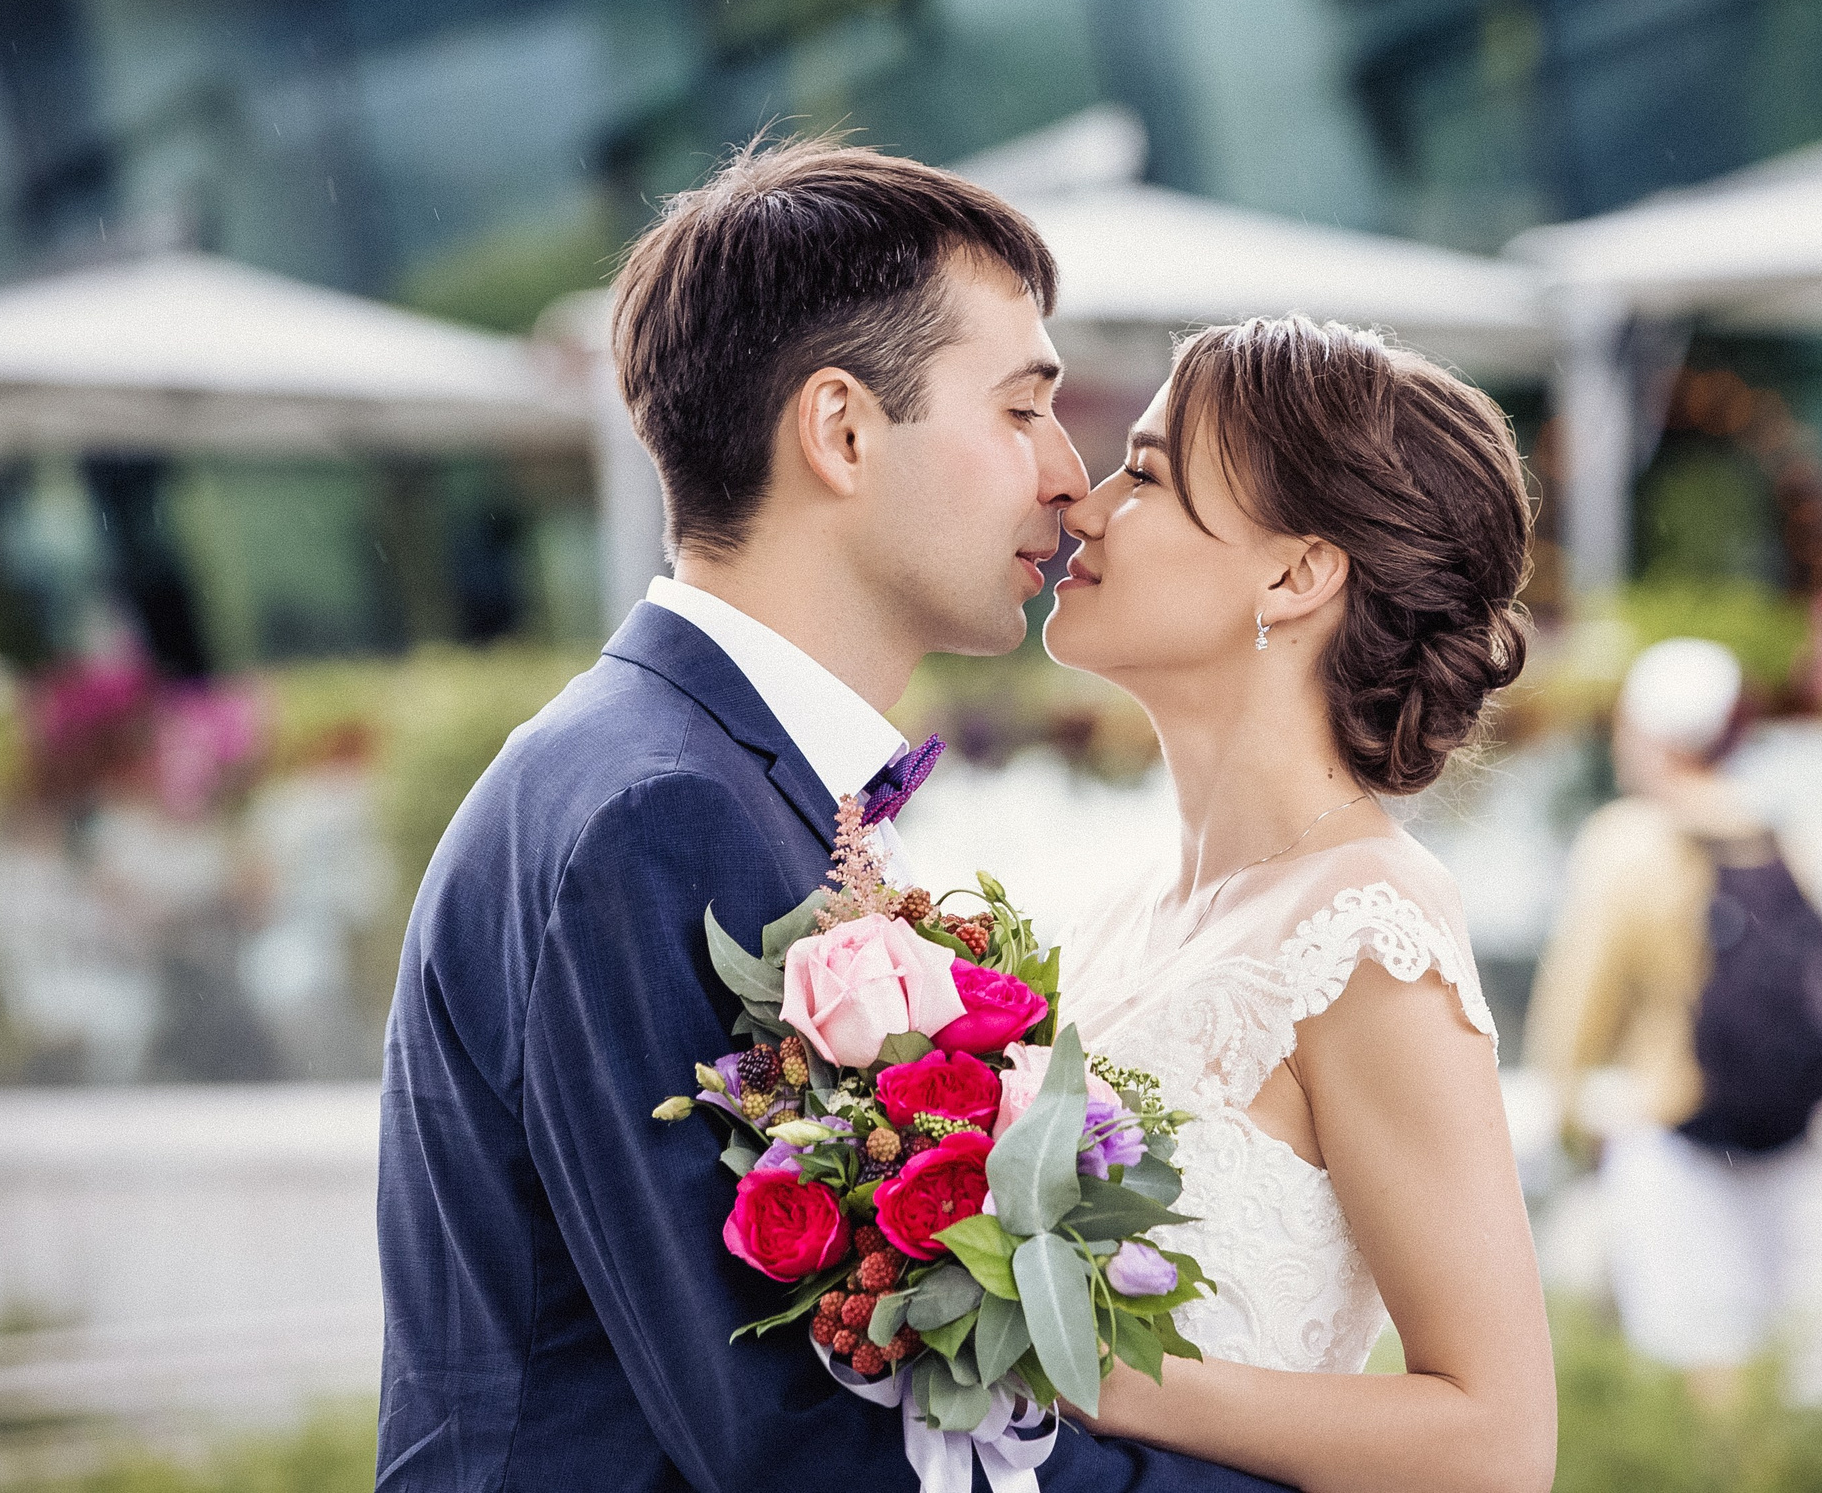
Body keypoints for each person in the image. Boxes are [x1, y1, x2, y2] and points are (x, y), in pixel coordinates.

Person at [373, 137, 1286, 1493]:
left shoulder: (697, 775)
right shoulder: (655, 814)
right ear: (842, 431)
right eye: (1022, 409)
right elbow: (795, 1437)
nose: (1069, 477)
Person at [1041, 316, 1559, 1493]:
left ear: (1295, 572)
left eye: (1148, 476)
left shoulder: (1366, 931)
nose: (1085, 506)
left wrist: (1086, 1364)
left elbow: (1494, 1446)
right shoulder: (1112, 915)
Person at [1521, 637, 1822, 1399]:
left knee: (1697, 1369)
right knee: (1763, 1354)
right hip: (1781, 1132)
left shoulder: (1631, 843)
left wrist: (1566, 1116)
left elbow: (1577, 1009)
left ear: (1646, 734)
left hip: (1676, 1127)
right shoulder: (1791, 837)